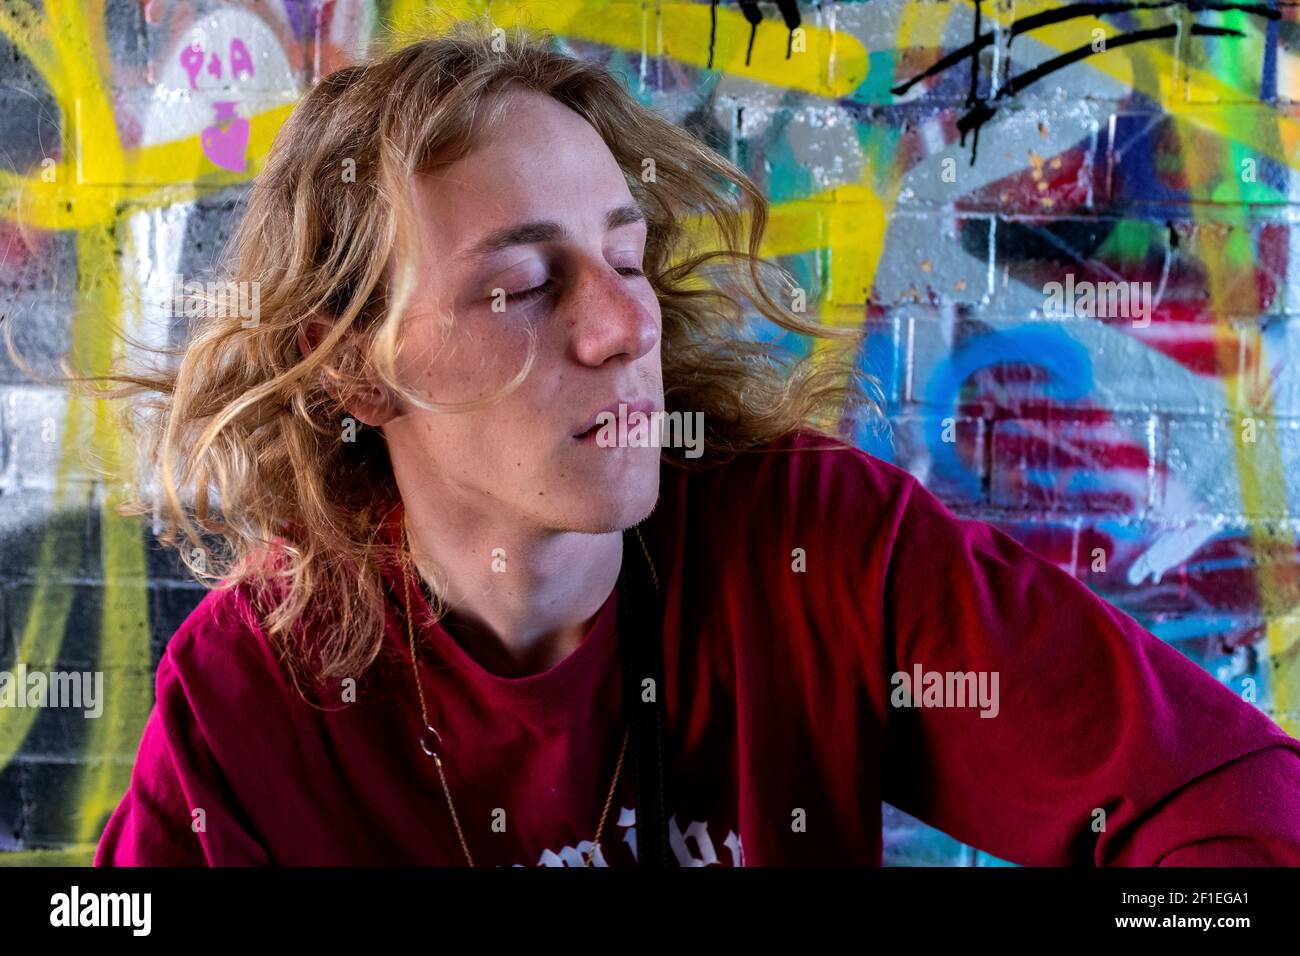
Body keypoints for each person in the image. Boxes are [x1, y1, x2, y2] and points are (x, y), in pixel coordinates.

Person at [87, 20, 1300, 866]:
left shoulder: (815, 547)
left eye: (626, 259)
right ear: (355, 360)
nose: (622, 327)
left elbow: (1228, 796)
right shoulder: (252, 689)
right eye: (519, 286)